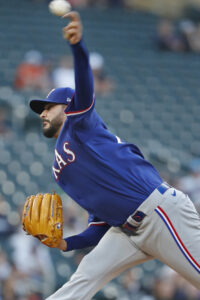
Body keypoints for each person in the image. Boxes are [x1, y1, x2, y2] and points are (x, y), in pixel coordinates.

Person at [29, 11, 200, 300]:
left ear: (68, 106)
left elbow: (85, 86)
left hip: (159, 213)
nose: (43, 112)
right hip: (125, 231)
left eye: (49, 106)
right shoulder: (59, 168)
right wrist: (66, 244)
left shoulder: (79, 123)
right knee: (80, 282)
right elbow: (98, 224)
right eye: (40, 110)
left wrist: (78, 46)